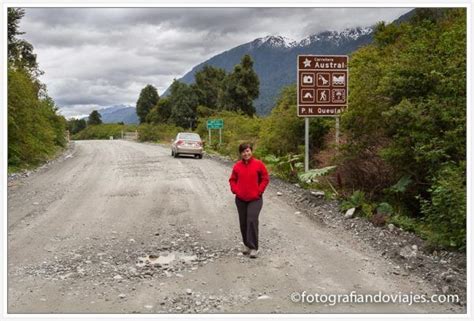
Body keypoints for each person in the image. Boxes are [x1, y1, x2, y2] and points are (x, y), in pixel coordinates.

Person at [229, 143, 269, 258]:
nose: (246, 154)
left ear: (251, 151)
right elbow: (232, 180)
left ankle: (253, 248)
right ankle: (246, 245)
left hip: (255, 198)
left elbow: (265, 178)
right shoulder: (237, 166)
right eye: (243, 152)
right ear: (240, 154)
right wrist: (235, 190)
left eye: (247, 151)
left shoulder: (259, 164)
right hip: (241, 199)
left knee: (252, 219)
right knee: (243, 222)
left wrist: (259, 191)